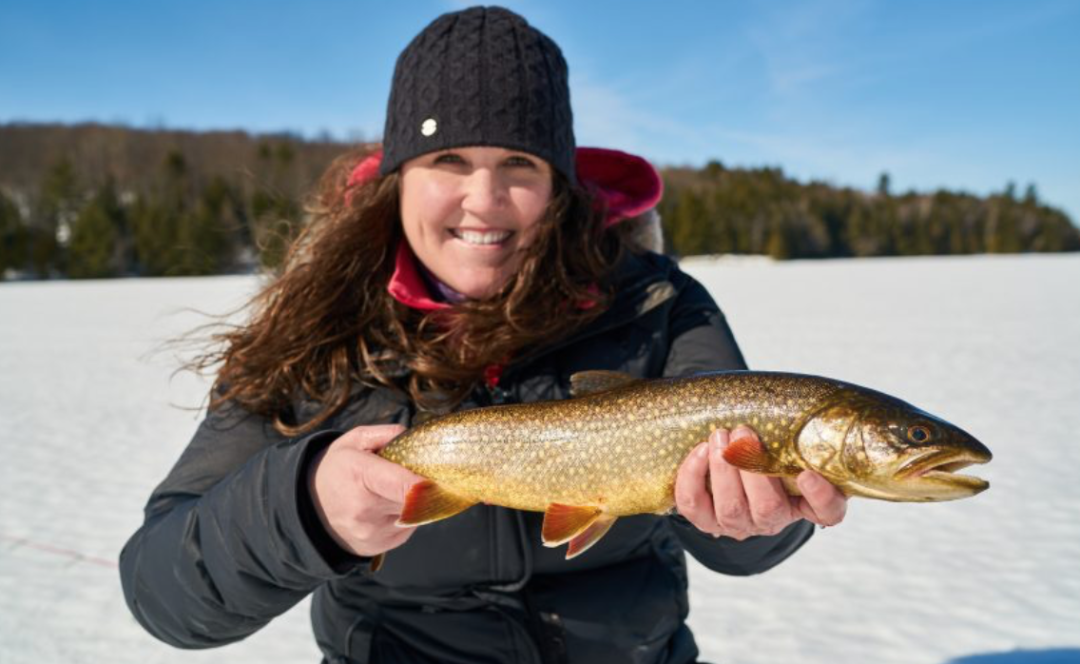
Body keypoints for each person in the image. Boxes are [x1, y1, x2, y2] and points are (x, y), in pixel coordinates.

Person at [119, 6, 847, 663]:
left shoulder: (655, 303)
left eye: (518, 165)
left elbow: (744, 540)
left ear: (559, 184)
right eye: (449, 161)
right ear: (398, 177)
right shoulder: (320, 327)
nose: (484, 200)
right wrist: (304, 506)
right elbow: (165, 594)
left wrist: (761, 518)